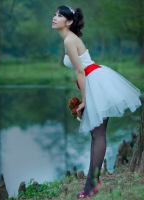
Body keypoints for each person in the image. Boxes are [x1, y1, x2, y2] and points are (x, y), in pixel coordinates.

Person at [52, 5, 142, 199]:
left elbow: (80, 71)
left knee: (98, 134)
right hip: (95, 80)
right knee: (96, 134)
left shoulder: (69, 40)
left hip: (94, 81)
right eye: (55, 14)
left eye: (59, 16)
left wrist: (85, 100)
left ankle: (92, 184)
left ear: (68, 22)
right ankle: (93, 182)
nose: (54, 18)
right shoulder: (69, 39)